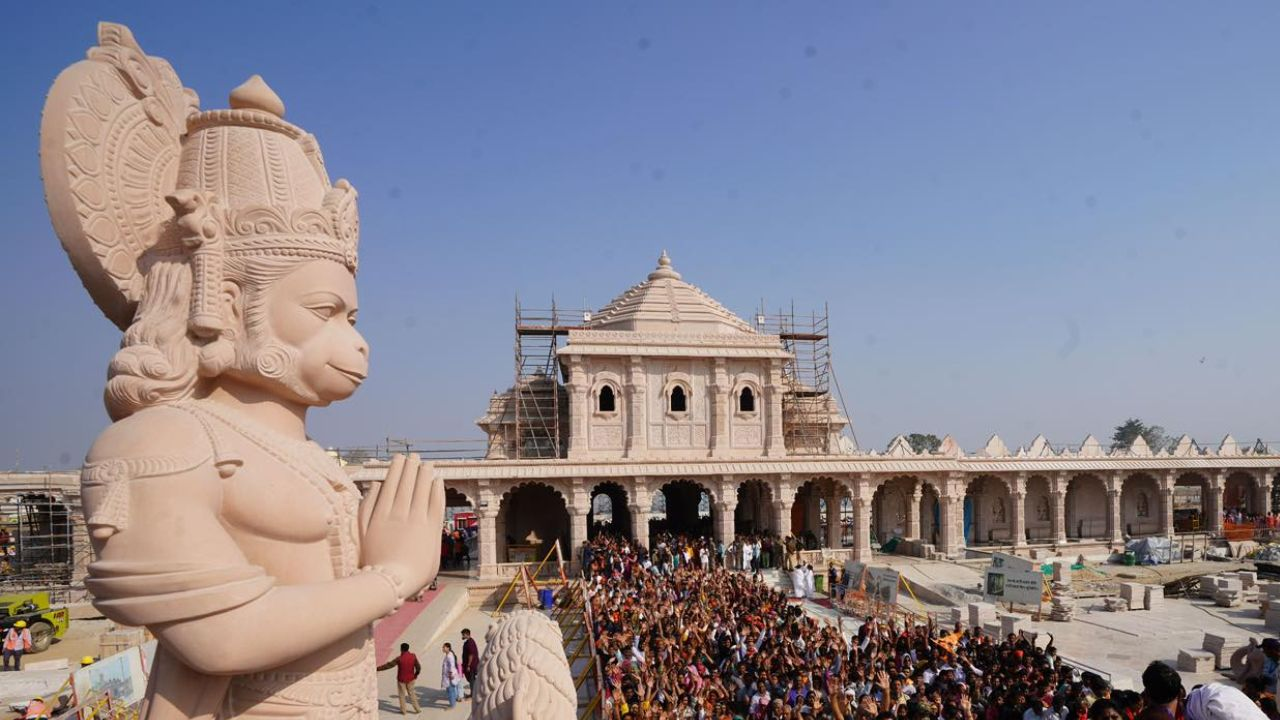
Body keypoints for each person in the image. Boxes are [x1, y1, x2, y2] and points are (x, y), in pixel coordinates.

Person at [377, 642, 422, 714]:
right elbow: (418, 667)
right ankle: (417, 709)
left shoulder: (399, 659)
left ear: (401, 649)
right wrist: (415, 675)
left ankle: (403, 710)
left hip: (401, 679)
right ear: (408, 649)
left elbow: (389, 665)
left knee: (401, 695)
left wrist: (378, 668)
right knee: (412, 694)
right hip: (411, 678)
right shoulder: (413, 656)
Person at [441, 642, 463, 708]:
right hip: (448, 675)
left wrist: (451, 675)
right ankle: (453, 702)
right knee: (450, 690)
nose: (443, 648)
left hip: (449, 676)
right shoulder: (448, 655)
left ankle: (452, 705)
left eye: (444, 647)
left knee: (451, 690)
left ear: (448, 648)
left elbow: (452, 666)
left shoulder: (449, 656)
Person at [461, 629, 480, 699]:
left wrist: (468, 665)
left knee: (472, 680)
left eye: (463, 634)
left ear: (467, 634)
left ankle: (473, 694)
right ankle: (474, 693)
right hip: (470, 664)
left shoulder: (470, 643)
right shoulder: (468, 642)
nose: (462, 636)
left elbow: (471, 655)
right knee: (471, 679)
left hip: (472, 665)